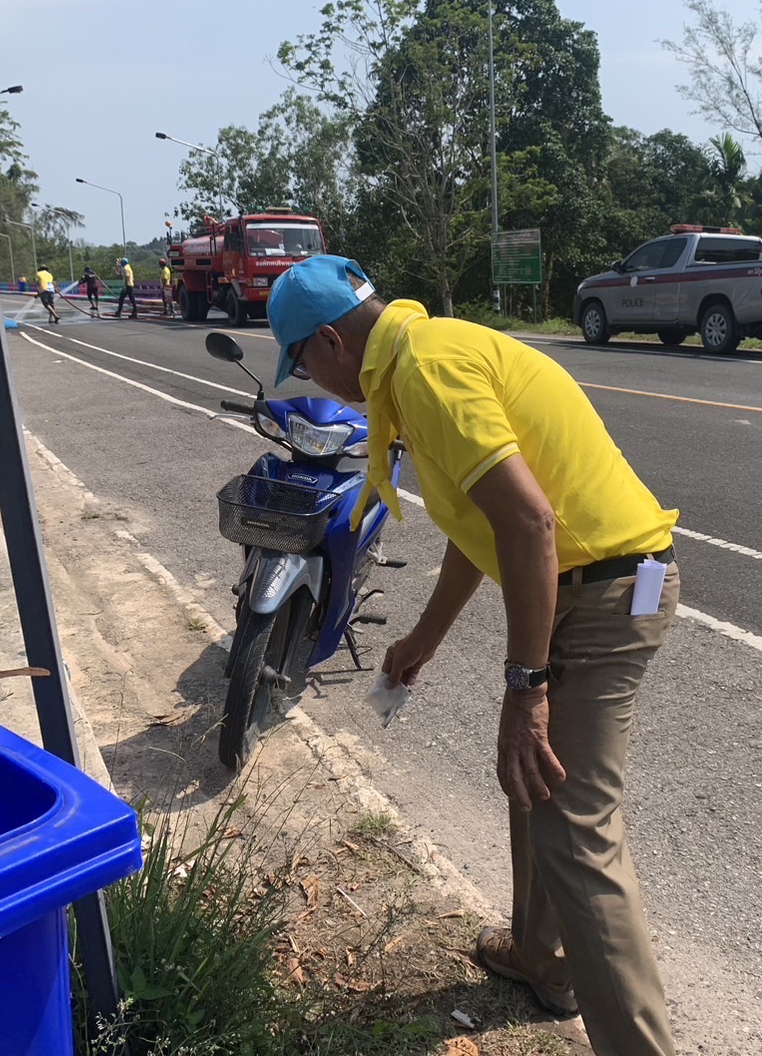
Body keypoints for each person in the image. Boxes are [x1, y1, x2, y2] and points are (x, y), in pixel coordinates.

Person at [267, 255, 681, 1056]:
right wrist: (425, 637)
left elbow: (527, 523)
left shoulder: (426, 371)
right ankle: (540, 959)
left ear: (328, 342)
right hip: (585, 586)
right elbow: (481, 522)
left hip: (606, 593)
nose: (313, 382)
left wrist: (526, 690)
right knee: (532, 780)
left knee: (576, 834)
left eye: (303, 364)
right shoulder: (418, 359)